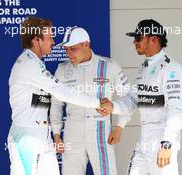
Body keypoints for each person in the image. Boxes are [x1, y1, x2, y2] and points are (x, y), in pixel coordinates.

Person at [7, 17, 102, 175]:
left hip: (42, 136)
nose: (53, 41)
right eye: (50, 37)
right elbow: (63, 91)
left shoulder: (35, 63)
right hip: (28, 138)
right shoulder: (28, 65)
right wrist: (97, 103)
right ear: (37, 40)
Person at [100, 19, 182, 175]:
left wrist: (167, 144)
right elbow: (133, 100)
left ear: (154, 39)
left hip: (162, 142)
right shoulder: (144, 68)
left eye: (139, 38)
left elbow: (176, 109)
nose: (134, 42)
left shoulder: (172, 69)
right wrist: (113, 107)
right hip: (144, 142)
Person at [50, 27, 131, 175]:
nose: (69, 54)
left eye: (73, 49)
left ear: (86, 45)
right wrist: (56, 134)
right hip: (72, 130)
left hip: (100, 129)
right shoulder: (62, 70)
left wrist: (120, 127)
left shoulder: (109, 66)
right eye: (66, 49)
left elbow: (128, 98)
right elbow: (56, 105)